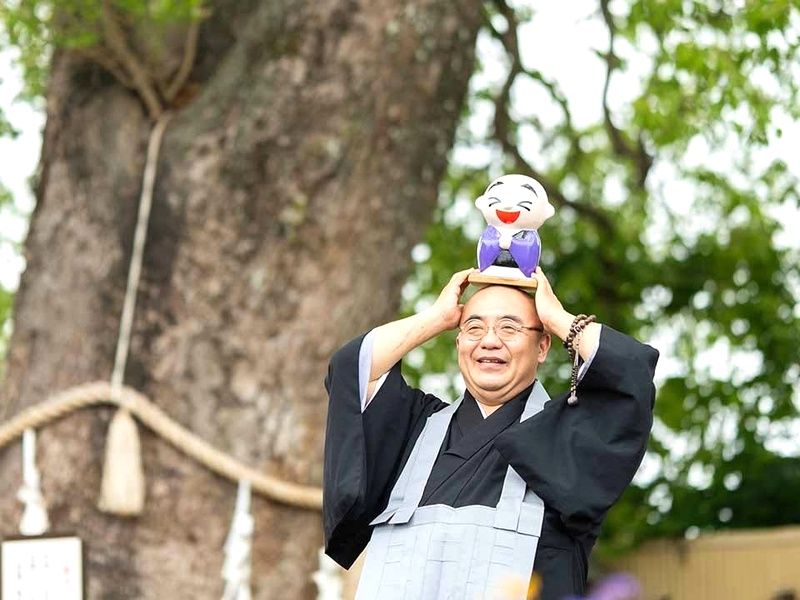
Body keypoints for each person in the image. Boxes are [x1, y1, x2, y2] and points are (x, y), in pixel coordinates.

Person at [323, 267, 658, 600]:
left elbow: (630, 373)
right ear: (458, 343)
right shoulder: (416, 428)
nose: (489, 341)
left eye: (509, 328)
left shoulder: (567, 436)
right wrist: (437, 318)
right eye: (474, 328)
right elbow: (350, 371)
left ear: (543, 347)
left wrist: (556, 318)